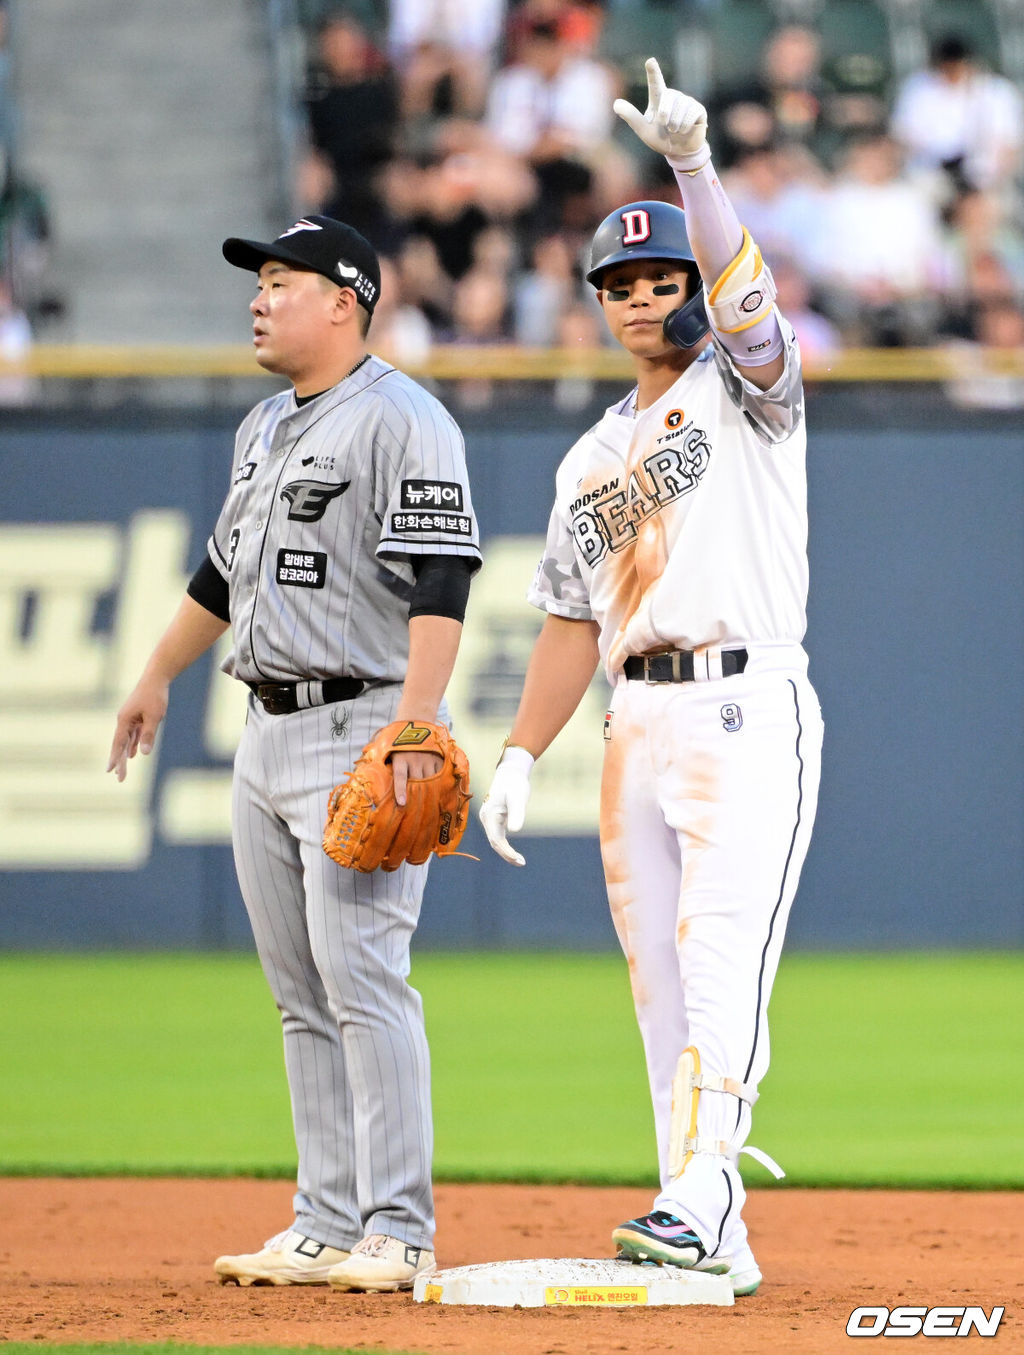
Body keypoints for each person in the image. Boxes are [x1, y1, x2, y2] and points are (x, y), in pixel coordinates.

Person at [479, 59, 823, 1298]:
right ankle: (706, 1219)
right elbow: (571, 619)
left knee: (722, 951)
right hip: (635, 719)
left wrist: (692, 167)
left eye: (661, 278)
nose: (641, 297)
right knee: (659, 986)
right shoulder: (586, 460)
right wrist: (521, 750)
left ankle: (700, 1190)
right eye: (620, 283)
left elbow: (745, 299)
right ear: (597, 303)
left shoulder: (750, 395)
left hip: (744, 701)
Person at [107, 214, 481, 1293]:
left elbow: (442, 576)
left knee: (364, 977)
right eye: (258, 281)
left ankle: (398, 1226)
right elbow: (222, 576)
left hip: (362, 723)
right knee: (299, 991)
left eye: (282, 279)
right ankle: (322, 1219)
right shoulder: (265, 424)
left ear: (345, 299)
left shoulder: (404, 419)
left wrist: (418, 721)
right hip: (262, 730)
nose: (260, 298)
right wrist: (156, 673)